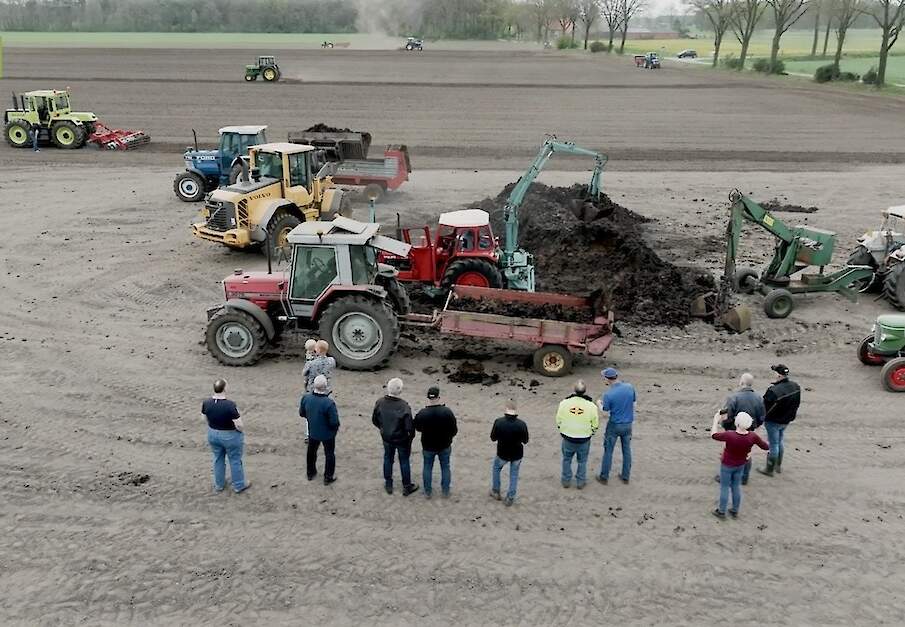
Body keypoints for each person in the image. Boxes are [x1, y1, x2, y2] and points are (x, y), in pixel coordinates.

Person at [711, 411, 769, 519]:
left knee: (724, 487)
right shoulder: (753, 436)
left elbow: (714, 435)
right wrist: (752, 452)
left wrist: (715, 420)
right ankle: (734, 510)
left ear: (737, 423)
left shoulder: (729, 435)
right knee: (736, 487)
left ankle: (721, 511)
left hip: (727, 465)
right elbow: (766, 447)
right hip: (740, 465)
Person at [715, 373, 766, 485]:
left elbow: (728, 415)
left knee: (729, 453)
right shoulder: (759, 398)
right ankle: (744, 477)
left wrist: (725, 426)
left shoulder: (734, 397)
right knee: (746, 454)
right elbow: (762, 416)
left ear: (741, 383)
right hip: (750, 430)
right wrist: (755, 426)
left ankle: (726, 477)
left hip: (735, 430)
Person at [202, 379, 251, 494]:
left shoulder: (206, 403)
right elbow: (239, 424)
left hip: (213, 434)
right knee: (234, 460)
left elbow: (203, 418)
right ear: (225, 389)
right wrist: (239, 432)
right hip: (230, 436)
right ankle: (239, 485)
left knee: (218, 458)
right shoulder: (230, 405)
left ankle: (219, 485)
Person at [372, 377, 418, 496]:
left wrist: (382, 429)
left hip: (386, 437)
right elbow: (409, 427)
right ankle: (407, 486)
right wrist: (410, 438)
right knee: (404, 461)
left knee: (388, 458)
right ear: (400, 390)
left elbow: (375, 420)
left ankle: (388, 483)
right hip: (402, 439)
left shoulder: (380, 402)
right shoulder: (404, 406)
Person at [414, 385, 458, 499]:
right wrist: (449, 438)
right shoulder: (447, 412)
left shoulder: (422, 413)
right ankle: (445, 491)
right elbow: (454, 430)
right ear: (439, 397)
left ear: (428, 398)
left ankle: (428, 492)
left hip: (428, 446)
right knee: (445, 467)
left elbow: (417, 427)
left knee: (427, 467)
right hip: (444, 445)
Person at [757, 364, 801, 477]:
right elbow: (797, 404)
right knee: (780, 441)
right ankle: (778, 465)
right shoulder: (795, 386)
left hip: (773, 421)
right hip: (786, 420)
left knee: (773, 444)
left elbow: (764, 407)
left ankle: (769, 469)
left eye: (775, 372)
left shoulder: (773, 391)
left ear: (779, 375)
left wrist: (760, 418)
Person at [556, 380, 599, 489]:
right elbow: (595, 423)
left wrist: (562, 430)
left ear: (574, 390)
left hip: (568, 438)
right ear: (585, 391)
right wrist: (591, 433)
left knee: (566, 459)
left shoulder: (564, 403)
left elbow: (558, 420)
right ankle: (580, 482)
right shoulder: (591, 406)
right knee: (582, 461)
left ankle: (566, 480)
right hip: (584, 439)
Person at [597, 368, 636, 484]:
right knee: (627, 450)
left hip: (614, 425)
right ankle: (626, 476)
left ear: (607, 379)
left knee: (608, 450)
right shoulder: (630, 387)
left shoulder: (608, 394)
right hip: (628, 424)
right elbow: (634, 403)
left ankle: (604, 477)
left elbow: (605, 410)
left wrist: (598, 403)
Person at [299, 375, 339, 485]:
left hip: (313, 432)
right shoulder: (329, 403)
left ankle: (310, 473)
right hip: (328, 434)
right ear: (326, 387)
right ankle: (328, 477)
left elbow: (302, 413)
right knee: (329, 454)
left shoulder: (306, 398)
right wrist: (334, 430)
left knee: (311, 452)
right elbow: (334, 422)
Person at [490, 399, 530, 506]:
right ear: (515, 410)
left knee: (496, 468)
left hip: (502, 453)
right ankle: (510, 496)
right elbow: (525, 441)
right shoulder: (522, 424)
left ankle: (496, 490)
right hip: (517, 454)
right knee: (514, 475)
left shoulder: (498, 422)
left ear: (506, 408)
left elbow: (493, 438)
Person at [302, 340, 335, 442]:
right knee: (326, 412)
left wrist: (309, 359)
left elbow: (304, 373)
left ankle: (309, 434)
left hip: (313, 390)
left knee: (311, 413)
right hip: (326, 390)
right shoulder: (332, 361)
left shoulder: (311, 363)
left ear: (318, 350)